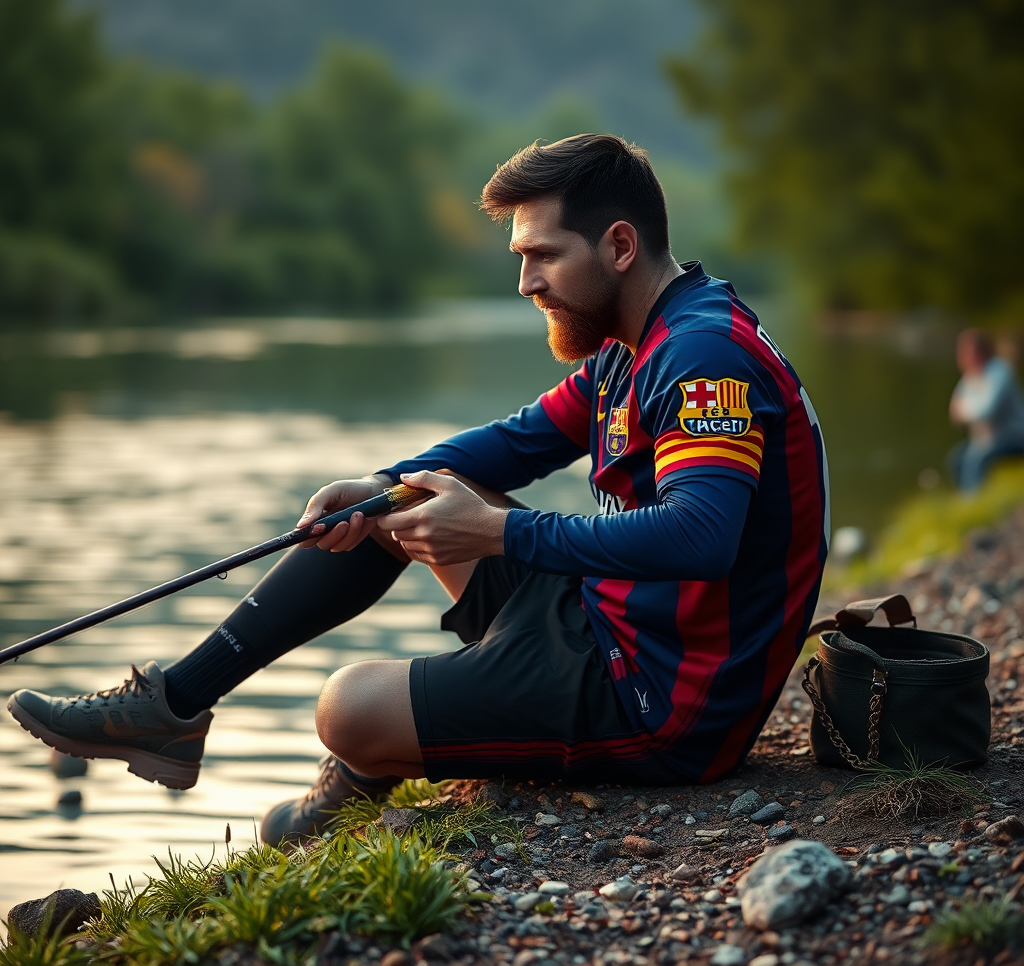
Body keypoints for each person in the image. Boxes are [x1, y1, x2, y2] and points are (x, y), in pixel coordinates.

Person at [7, 135, 830, 846]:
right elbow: (515, 441)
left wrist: (501, 534)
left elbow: (701, 537)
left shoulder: (701, 357)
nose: (526, 283)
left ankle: (368, 758)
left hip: (661, 703)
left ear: (618, 246)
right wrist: (379, 486)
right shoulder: (631, 343)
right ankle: (175, 705)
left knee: (345, 707)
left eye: (543, 256)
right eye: (520, 259)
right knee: (401, 503)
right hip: (607, 624)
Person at [947, 328, 1024, 491]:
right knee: (956, 459)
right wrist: (968, 409)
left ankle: (974, 502)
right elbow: (953, 411)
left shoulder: (1000, 372)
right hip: (985, 440)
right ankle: (965, 499)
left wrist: (965, 410)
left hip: (1013, 436)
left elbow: (987, 409)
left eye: (965, 352)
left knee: (977, 459)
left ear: (980, 352)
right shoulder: (970, 377)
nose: (961, 357)